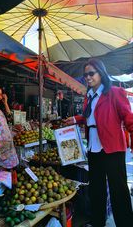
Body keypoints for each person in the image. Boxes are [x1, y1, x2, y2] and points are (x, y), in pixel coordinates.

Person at [64, 59, 133, 227]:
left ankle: (125, 223)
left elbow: (129, 118)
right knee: (96, 190)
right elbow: (90, 117)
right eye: (85, 74)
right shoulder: (88, 96)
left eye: (91, 73)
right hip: (93, 149)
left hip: (112, 149)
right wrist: (76, 119)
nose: (87, 77)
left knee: (119, 191)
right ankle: (97, 223)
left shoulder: (115, 92)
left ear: (101, 73)